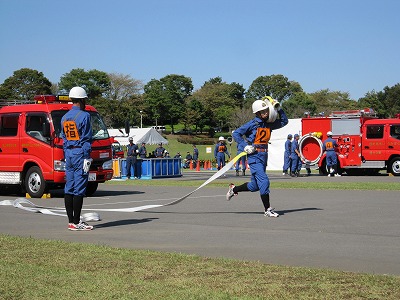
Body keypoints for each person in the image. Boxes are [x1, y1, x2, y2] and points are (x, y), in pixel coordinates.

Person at [227, 97, 288, 217]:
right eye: (263, 111)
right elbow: (236, 133)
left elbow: (284, 121)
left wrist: (279, 109)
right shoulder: (252, 124)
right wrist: (245, 146)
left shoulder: (269, 124)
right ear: (257, 113)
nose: (266, 113)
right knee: (264, 181)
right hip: (254, 156)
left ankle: (233, 189)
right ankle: (267, 209)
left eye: (267, 110)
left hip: (263, 155)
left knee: (254, 186)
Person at [61, 86, 93, 231]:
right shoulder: (85, 116)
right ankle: (76, 221)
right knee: (79, 188)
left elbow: (64, 139)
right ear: (81, 100)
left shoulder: (64, 117)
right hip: (80, 153)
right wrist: (87, 156)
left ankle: (70, 221)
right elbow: (86, 138)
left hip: (68, 153)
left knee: (69, 187)